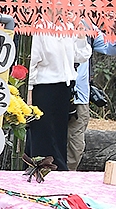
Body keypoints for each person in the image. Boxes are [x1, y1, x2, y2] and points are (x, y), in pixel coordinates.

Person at [27, 30, 92, 173]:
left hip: (65, 88)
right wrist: (29, 93)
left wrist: (81, 38)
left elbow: (81, 56)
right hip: (43, 88)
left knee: (59, 137)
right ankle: (43, 171)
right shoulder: (40, 29)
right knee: (44, 137)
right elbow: (31, 62)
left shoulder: (69, 27)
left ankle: (57, 172)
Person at [67, 22, 116, 170]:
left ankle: (67, 175)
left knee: (76, 145)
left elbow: (111, 49)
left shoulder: (88, 26)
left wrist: (113, 29)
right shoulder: (49, 22)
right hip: (52, 91)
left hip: (80, 95)